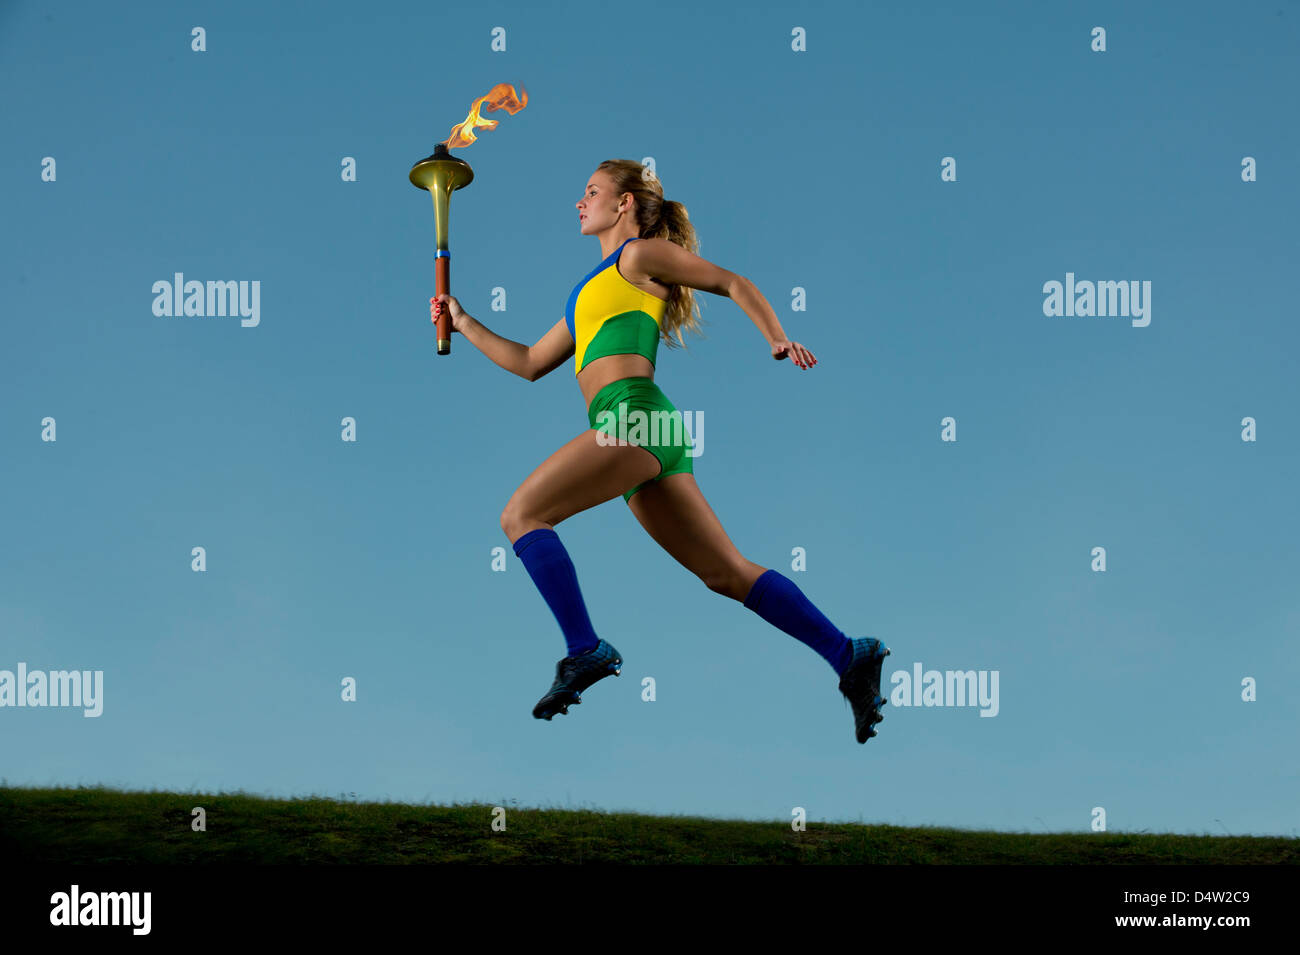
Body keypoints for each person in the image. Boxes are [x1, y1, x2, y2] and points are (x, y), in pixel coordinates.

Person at [431, 160, 889, 742]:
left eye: (592, 192)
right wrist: (464, 320)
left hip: (634, 419)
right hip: (645, 436)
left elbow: (731, 281)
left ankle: (584, 648)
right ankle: (850, 655)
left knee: (521, 515)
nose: (579, 201)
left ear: (624, 204)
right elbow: (527, 364)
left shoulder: (638, 257)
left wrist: (775, 336)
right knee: (726, 574)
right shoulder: (586, 292)